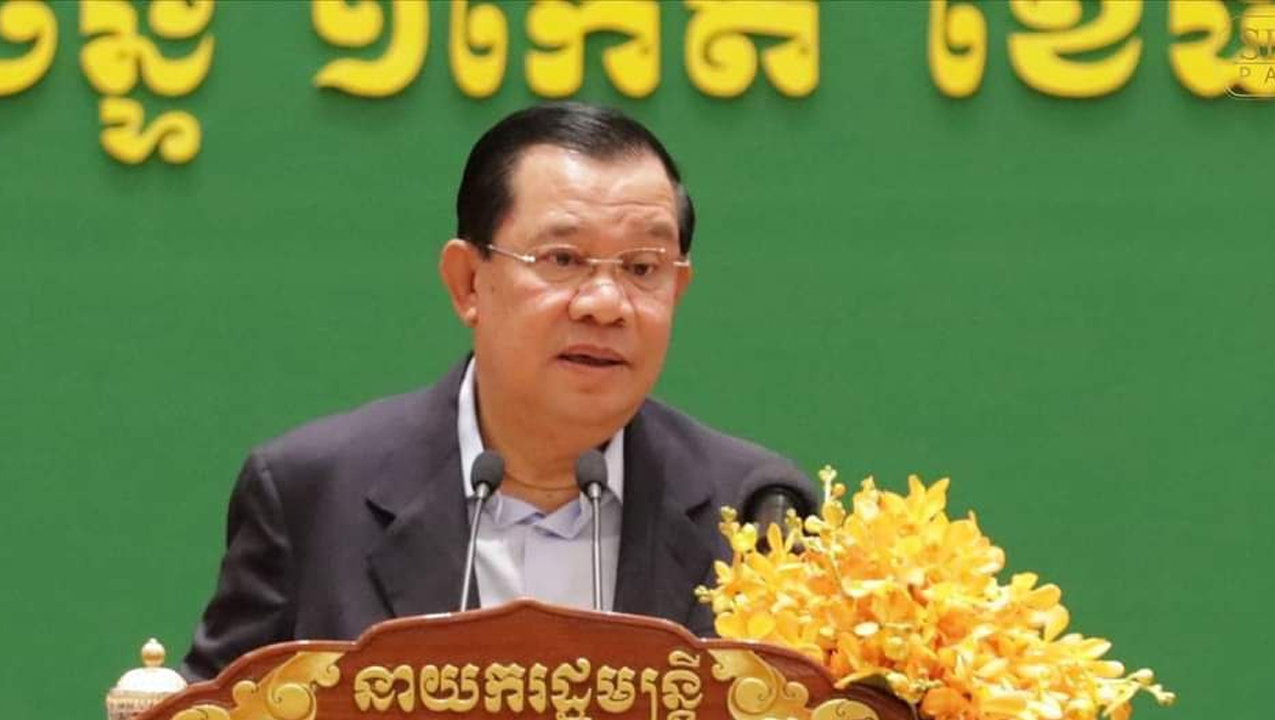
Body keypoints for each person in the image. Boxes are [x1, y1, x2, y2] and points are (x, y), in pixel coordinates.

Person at [179, 102, 815, 681]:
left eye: (642, 268)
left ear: (677, 288)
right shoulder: (312, 498)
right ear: (467, 283)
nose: (604, 303)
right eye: (562, 260)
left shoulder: (753, 512)